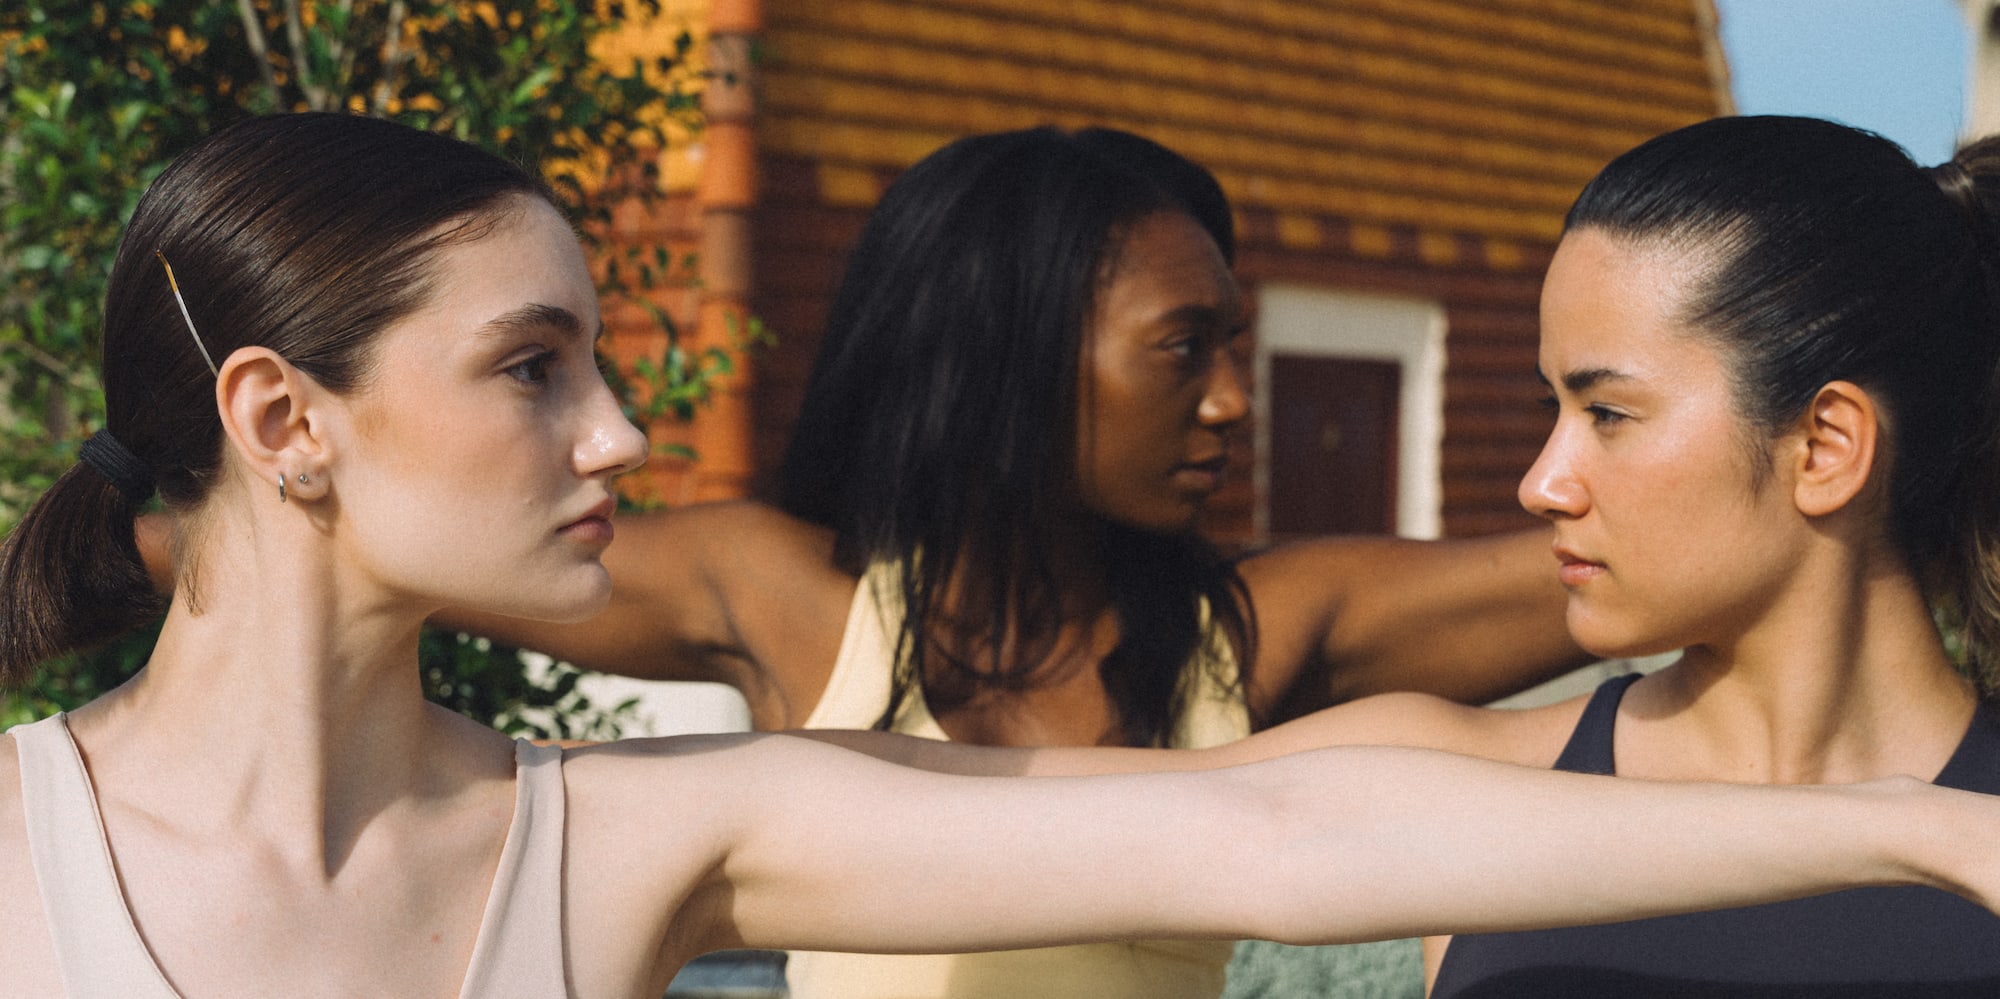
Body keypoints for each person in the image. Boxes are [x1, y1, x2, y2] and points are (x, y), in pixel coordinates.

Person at [13, 111, 2000, 997]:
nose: (621, 430)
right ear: (283, 422)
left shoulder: (631, 838)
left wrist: (1918, 833)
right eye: (535, 367)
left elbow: (1274, 843)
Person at [435, 125, 1585, 998]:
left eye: (1231, 345)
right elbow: (411, 561)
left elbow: (1633, 565)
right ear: (1009, 354)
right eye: (1183, 349)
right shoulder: (781, 596)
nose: (1232, 399)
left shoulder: (1251, 630)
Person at [1019, 114, 2000, 996]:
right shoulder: (1445, 782)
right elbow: (966, 821)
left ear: (1823, 446)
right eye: (1551, 410)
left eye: (1606, 413)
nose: (1540, 484)